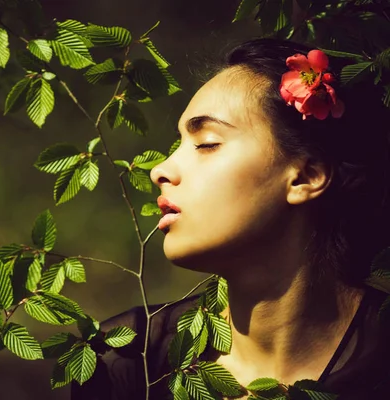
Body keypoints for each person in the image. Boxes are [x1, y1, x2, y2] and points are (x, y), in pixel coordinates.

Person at [71, 38, 390, 399]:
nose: (159, 170)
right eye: (178, 144)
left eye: (206, 142)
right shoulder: (126, 356)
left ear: (306, 176)